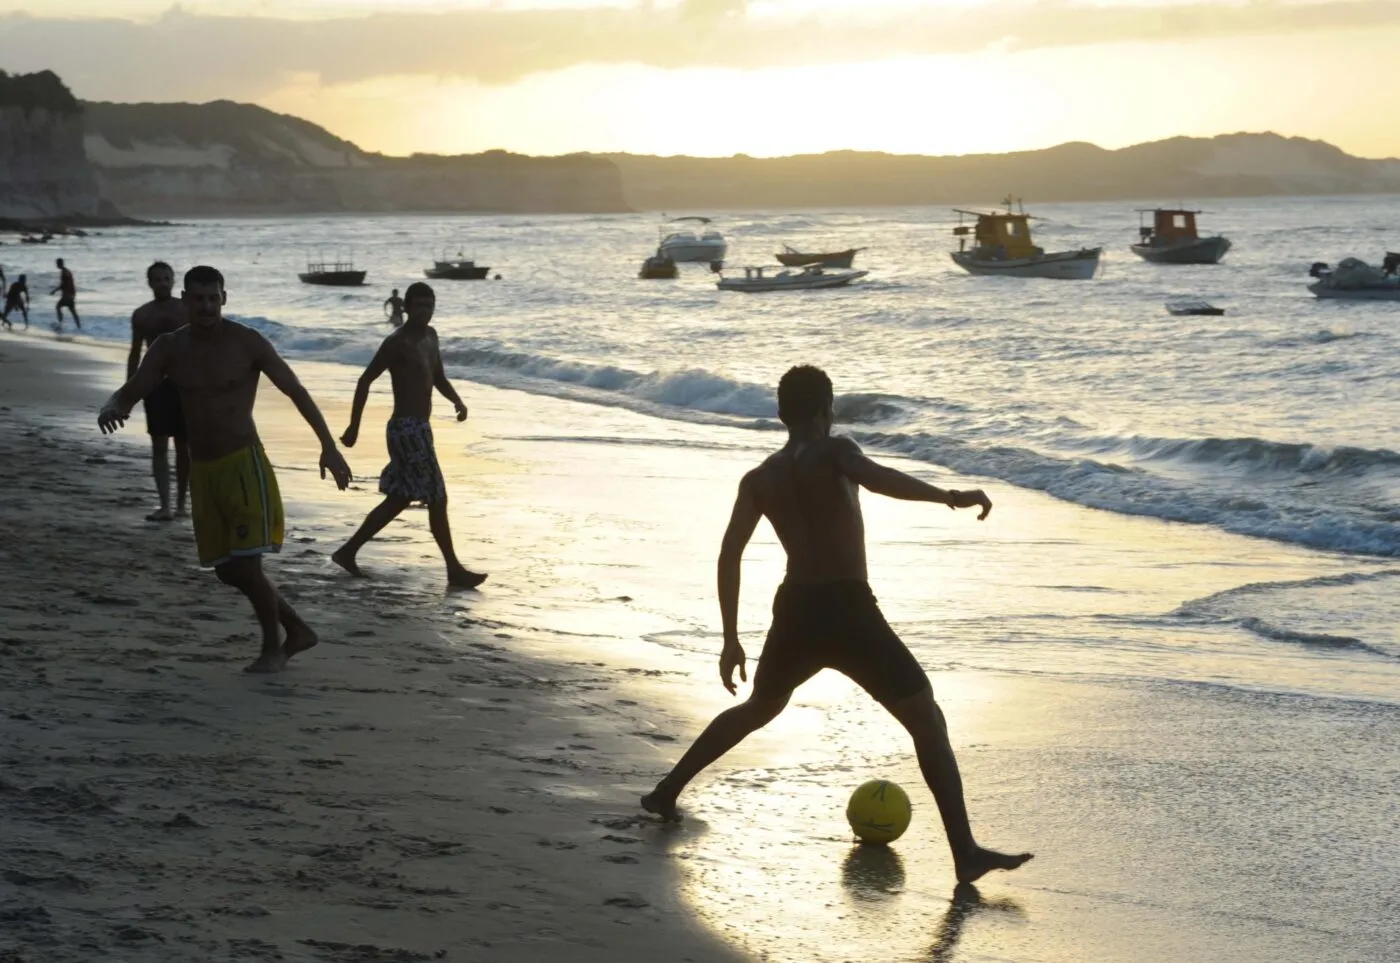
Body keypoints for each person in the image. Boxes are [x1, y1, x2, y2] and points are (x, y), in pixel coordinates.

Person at [640, 365, 1032, 885]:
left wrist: (731, 637)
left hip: (796, 609)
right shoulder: (837, 450)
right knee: (926, 720)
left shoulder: (760, 478)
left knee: (760, 706)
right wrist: (949, 496)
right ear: (829, 408)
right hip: (848, 610)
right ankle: (965, 852)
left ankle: (668, 789)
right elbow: (880, 479)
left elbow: (729, 554)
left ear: (781, 414)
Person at [98, 265, 354, 673]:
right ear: (186, 300)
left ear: (224, 298)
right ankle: (298, 629)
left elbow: (295, 390)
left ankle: (273, 650)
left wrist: (328, 447)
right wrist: (115, 404)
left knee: (248, 565)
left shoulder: (246, 342)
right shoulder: (169, 347)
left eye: (213, 298)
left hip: (243, 466)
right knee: (228, 570)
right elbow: (136, 386)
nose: (205, 306)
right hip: (204, 470)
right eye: (197, 299)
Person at [332, 281, 486, 589]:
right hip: (405, 430)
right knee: (438, 498)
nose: (425, 311)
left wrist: (456, 399)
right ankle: (453, 569)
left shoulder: (431, 337)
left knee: (400, 498)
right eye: (419, 306)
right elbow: (365, 381)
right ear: (406, 307)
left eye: (430, 306)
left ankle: (347, 551)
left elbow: (437, 376)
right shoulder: (397, 342)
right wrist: (354, 427)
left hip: (422, 429)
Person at [128, 261, 191, 521]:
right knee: (159, 445)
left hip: (185, 384)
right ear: (150, 283)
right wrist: (129, 391)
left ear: (174, 281)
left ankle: (181, 505)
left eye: (167, 278)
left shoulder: (186, 309)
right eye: (157, 279)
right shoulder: (142, 314)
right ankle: (165, 504)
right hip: (155, 384)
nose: (163, 283)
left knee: (184, 447)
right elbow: (134, 353)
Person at [52, 258, 80, 329]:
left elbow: (64, 284)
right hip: (72, 294)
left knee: (58, 307)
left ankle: (60, 324)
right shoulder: (67, 271)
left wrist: (55, 290)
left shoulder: (64, 272)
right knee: (73, 311)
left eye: (57, 263)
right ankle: (79, 327)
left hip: (67, 295)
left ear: (59, 264)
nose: (56, 265)